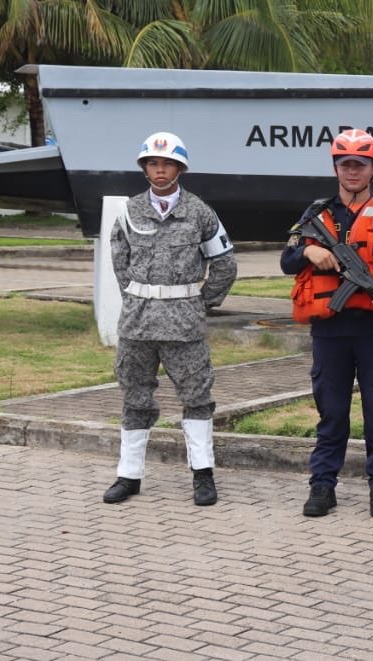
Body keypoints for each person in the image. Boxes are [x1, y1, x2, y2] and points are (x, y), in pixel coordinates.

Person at [281, 129, 373, 518]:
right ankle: (322, 486)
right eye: (345, 164)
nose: (352, 172)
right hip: (329, 331)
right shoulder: (315, 215)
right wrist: (310, 250)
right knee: (331, 410)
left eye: (359, 165)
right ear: (335, 168)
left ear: (372, 169)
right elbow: (287, 260)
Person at [103, 131, 237, 507]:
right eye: (153, 163)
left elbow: (225, 263)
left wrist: (202, 302)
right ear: (145, 168)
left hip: (184, 323)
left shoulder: (199, 212)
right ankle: (128, 476)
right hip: (138, 323)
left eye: (167, 164)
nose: (160, 170)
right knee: (134, 396)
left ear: (180, 168)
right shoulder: (130, 211)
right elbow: (119, 260)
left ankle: (203, 475)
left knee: (197, 397)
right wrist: (137, 296)